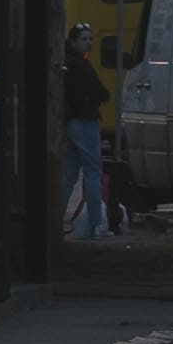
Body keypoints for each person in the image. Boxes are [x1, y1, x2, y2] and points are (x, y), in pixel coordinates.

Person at [58, 29, 114, 239]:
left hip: (70, 122)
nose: (89, 43)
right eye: (84, 39)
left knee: (69, 174)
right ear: (73, 42)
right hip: (85, 121)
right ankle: (97, 224)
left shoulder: (66, 63)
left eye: (91, 39)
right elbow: (100, 91)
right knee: (92, 172)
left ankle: (56, 219)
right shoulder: (81, 65)